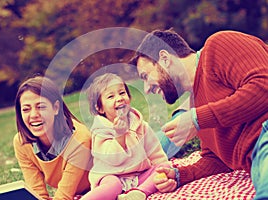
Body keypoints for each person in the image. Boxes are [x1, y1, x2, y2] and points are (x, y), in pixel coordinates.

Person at [129, 28, 268, 199]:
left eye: (145, 76)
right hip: (257, 161)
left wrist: (197, 119)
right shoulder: (197, 102)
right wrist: (180, 175)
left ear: (164, 58)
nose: (146, 89)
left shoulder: (218, 46)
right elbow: (217, 159)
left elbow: (263, 86)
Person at [80, 73, 174, 200]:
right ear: (100, 108)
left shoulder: (140, 125)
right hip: (111, 176)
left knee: (165, 167)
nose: (119, 98)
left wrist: (163, 169)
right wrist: (120, 135)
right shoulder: (100, 132)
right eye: (111, 96)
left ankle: (138, 193)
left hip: (139, 176)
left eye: (122, 93)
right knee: (113, 185)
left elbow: (155, 152)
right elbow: (112, 159)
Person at [13, 75, 92, 200]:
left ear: (56, 108)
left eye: (40, 107)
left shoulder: (80, 139)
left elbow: (64, 196)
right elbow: (37, 193)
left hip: (97, 189)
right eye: (26, 109)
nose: (33, 115)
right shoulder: (21, 142)